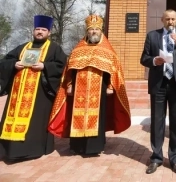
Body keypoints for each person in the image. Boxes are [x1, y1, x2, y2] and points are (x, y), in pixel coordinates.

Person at [48, 14, 131, 156]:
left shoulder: (108, 50)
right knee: (77, 115)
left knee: (98, 117)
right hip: (78, 91)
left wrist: (111, 87)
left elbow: (115, 70)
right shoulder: (77, 50)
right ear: (87, 31)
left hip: (100, 90)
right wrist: (69, 84)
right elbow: (69, 70)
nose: (94, 32)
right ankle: (77, 146)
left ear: (101, 31)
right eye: (91, 29)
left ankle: (95, 147)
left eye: (97, 29)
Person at [0, 15, 67, 161]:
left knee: (35, 123)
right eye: (38, 29)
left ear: (49, 32)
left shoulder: (54, 48)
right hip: (18, 94)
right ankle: (10, 150)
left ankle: (32, 150)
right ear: (33, 31)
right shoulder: (23, 47)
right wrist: (14, 64)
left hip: (40, 95)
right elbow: (5, 61)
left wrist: (45, 66)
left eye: (43, 29)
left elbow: (62, 66)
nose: (40, 32)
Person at [140, 9, 176, 174]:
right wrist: (154, 60)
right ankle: (156, 158)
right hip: (159, 83)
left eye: (172, 19)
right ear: (162, 20)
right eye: (167, 19)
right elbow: (144, 58)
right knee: (157, 122)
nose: (170, 22)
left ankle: (175, 159)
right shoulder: (152, 36)